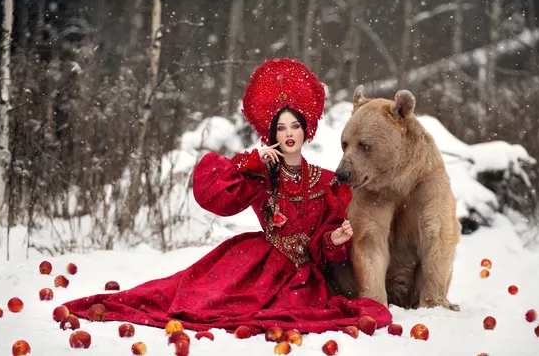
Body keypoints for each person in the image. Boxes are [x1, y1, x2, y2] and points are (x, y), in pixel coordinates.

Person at [62, 58, 392, 335]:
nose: (288, 134)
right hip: (256, 265)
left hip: (302, 277)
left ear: (307, 130)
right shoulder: (261, 173)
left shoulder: (329, 181)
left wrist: (333, 239)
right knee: (197, 302)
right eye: (281, 128)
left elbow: (324, 249)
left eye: (294, 127)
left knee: (312, 314)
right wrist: (249, 162)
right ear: (271, 133)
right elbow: (213, 193)